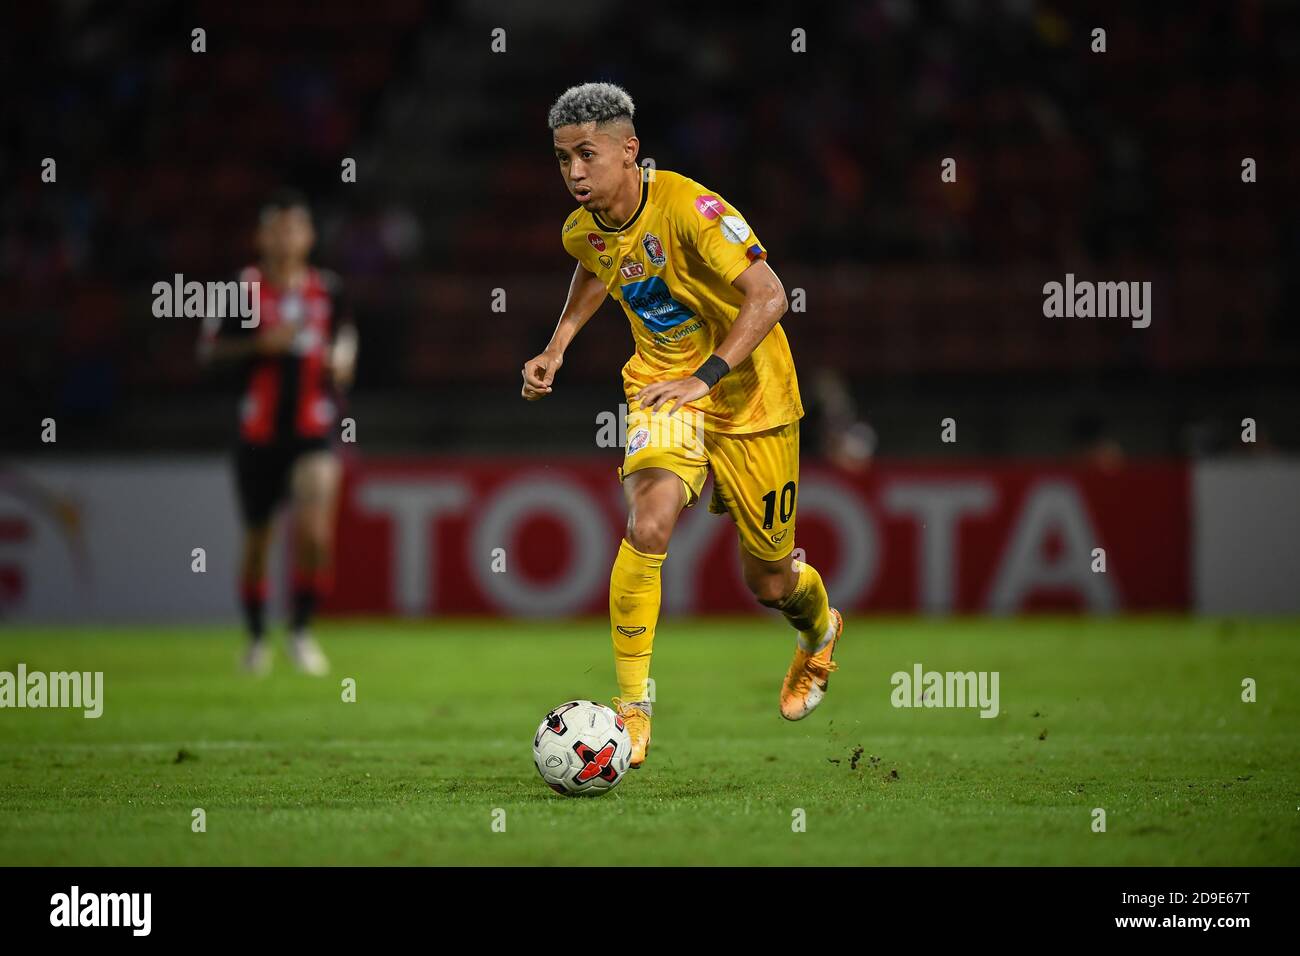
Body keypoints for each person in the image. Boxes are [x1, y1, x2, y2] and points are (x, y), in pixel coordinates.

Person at [522, 83, 843, 768]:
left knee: (771, 584)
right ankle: (633, 711)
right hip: (663, 391)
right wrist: (558, 347)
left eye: (587, 154)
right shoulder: (581, 227)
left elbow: (771, 295)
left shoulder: (692, 208)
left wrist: (708, 376)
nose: (574, 172)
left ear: (629, 152)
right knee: (649, 522)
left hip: (752, 399)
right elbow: (596, 266)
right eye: (561, 159)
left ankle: (819, 631)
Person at [199, 189, 356, 676]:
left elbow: (346, 338)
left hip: (314, 428)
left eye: (296, 228)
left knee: (314, 531)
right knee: (259, 539)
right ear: (262, 236)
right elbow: (209, 351)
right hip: (258, 432)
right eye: (278, 229)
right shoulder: (240, 290)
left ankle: (302, 631)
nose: (287, 238)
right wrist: (260, 345)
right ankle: (255, 637)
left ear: (308, 236)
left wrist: (345, 360)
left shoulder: (328, 289)